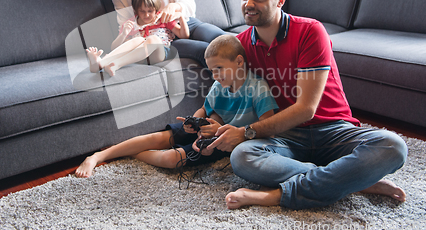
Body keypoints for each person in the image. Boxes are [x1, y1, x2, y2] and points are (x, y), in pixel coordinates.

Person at [202, 0, 408, 210]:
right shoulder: (240, 47)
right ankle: (352, 181)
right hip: (284, 137)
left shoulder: (310, 31)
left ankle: (278, 196)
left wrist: (246, 132)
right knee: (242, 157)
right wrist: (213, 123)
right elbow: (228, 91)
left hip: (332, 129)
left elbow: (306, 109)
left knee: (393, 147)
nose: (248, 4)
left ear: (280, 0)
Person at [75, 35, 279, 178]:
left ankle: (124, 152)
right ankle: (98, 156)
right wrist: (194, 121)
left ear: (239, 62)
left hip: (225, 141)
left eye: (219, 69)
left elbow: (267, 127)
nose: (215, 76)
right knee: (157, 138)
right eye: (211, 71)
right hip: (208, 130)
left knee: (172, 159)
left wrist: (220, 131)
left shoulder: (257, 87)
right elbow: (204, 110)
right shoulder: (218, 85)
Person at [86, 0, 189, 76]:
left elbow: (184, 35)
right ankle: (100, 63)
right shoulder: (131, 24)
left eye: (150, 11)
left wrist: (180, 17)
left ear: (156, 8)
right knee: (137, 40)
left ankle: (116, 64)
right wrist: (123, 34)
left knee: (152, 39)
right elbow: (114, 47)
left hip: (159, 53)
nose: (147, 15)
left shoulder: (162, 18)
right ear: (135, 10)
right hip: (138, 57)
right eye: (142, 11)